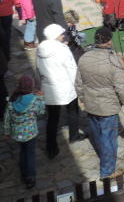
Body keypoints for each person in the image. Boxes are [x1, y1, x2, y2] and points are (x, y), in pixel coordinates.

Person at [76, 27, 124, 179]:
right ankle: (107, 171)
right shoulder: (112, 60)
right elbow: (120, 86)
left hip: (91, 105)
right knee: (109, 139)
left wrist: (84, 99)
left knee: (99, 135)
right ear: (108, 41)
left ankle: (105, 161)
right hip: (107, 107)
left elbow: (79, 84)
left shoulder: (84, 57)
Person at [36, 23, 83, 158]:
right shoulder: (63, 49)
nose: (63, 36)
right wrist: (77, 85)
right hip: (65, 86)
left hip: (49, 88)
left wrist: (40, 86)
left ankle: (51, 147)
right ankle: (74, 135)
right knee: (73, 110)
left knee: (52, 118)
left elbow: (37, 69)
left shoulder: (40, 49)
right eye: (61, 34)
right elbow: (71, 68)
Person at [2, 74, 46, 189]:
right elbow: (41, 112)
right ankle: (30, 177)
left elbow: (7, 118)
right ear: (31, 87)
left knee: (22, 152)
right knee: (30, 154)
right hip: (30, 133)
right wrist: (41, 98)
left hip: (17, 134)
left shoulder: (12, 100)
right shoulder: (34, 100)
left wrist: (6, 132)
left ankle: (23, 174)